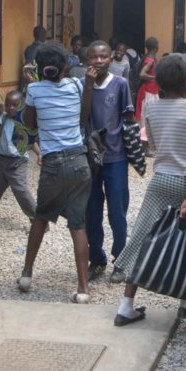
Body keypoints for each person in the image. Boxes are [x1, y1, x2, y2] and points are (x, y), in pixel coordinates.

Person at [112, 55, 186, 325]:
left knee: (143, 235)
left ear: (160, 81)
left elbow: (150, 143)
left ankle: (126, 304)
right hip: (185, 182)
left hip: (159, 180)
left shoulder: (151, 107)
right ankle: (185, 301)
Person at [17, 43, 93, 303]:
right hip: (79, 161)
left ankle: (27, 273)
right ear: (65, 67)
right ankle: (83, 288)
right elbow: (84, 116)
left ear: (39, 68)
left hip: (52, 163)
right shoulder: (76, 85)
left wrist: (32, 87)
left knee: (41, 217)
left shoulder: (35, 89)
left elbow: (29, 123)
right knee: (78, 224)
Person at [84, 41, 135, 283]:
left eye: (103, 56)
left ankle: (121, 259)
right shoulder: (84, 84)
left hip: (116, 156)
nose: (99, 61)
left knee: (117, 210)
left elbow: (129, 117)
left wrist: (133, 148)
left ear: (110, 59)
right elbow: (82, 117)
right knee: (92, 210)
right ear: (88, 60)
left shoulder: (120, 84)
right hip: (91, 157)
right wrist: (88, 87)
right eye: (94, 57)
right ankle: (97, 258)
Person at [0, 90, 37, 221]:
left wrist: (40, 154)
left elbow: (31, 141)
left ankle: (36, 218)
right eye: (8, 105)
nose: (10, 108)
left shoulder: (23, 121)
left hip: (17, 162)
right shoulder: (3, 117)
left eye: (14, 105)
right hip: (2, 160)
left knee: (20, 190)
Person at [135, 37, 160, 146]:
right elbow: (142, 74)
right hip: (149, 92)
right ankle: (145, 144)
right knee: (147, 117)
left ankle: (147, 143)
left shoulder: (150, 58)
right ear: (156, 48)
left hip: (152, 91)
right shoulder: (150, 60)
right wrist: (155, 78)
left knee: (148, 117)